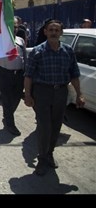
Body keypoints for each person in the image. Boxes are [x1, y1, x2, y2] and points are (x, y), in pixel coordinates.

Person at [24, 20, 85, 176]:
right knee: (44, 127)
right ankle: (42, 159)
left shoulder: (68, 51)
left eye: (56, 30)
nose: (53, 32)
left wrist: (79, 94)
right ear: (45, 32)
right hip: (42, 93)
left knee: (56, 126)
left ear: (61, 33)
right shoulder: (37, 51)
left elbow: (75, 74)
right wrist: (28, 95)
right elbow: (28, 76)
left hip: (61, 93)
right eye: (50, 29)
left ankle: (49, 153)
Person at [0, 23, 26, 136]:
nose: (13, 29)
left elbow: (24, 55)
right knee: (7, 99)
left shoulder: (20, 40)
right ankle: (10, 123)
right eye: (10, 26)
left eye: (15, 27)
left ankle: (7, 114)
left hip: (19, 74)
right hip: (5, 74)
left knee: (17, 97)